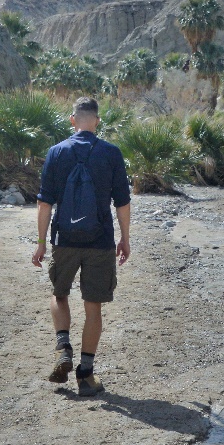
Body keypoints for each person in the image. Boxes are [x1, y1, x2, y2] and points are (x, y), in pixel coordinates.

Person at [30, 96, 131, 397]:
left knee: (59, 294)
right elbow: (122, 203)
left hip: (65, 239)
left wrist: (40, 243)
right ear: (97, 122)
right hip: (100, 241)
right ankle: (86, 374)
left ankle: (64, 348)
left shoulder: (56, 152)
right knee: (93, 307)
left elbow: (44, 203)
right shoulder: (111, 153)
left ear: (73, 120)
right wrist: (124, 238)